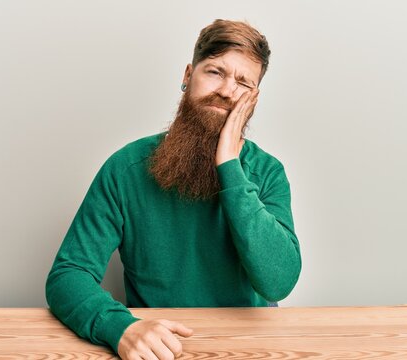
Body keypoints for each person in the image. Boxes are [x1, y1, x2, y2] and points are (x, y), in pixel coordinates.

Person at [46, 19, 301, 360]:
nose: (226, 90)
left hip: (247, 347)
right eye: (215, 72)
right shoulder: (126, 169)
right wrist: (119, 327)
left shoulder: (268, 172)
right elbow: (68, 274)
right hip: (160, 349)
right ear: (187, 76)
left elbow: (278, 282)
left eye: (243, 82)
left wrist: (228, 165)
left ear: (253, 99)